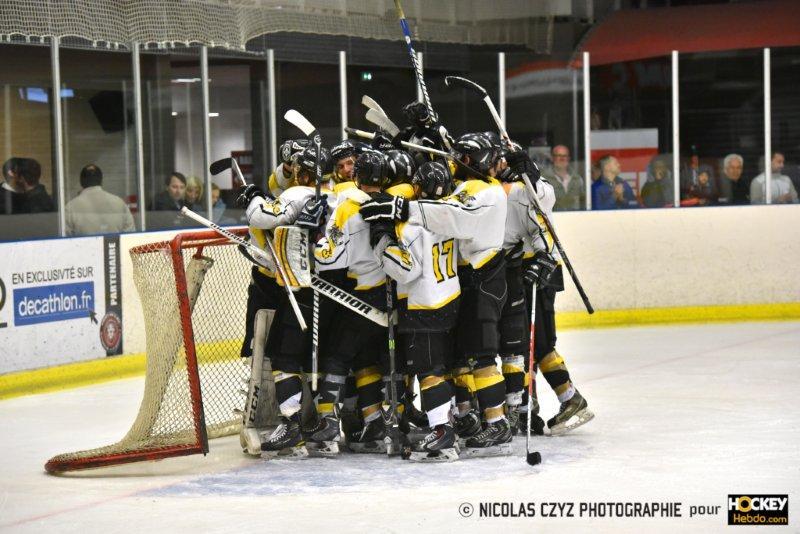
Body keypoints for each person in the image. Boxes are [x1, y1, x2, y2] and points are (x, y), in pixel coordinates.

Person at [360, 132, 513, 457]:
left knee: (461, 362)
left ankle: (480, 424)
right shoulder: (462, 192)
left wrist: (388, 229)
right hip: (456, 294)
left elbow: (445, 221)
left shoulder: (482, 192)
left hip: (457, 292)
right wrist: (429, 132)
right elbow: (444, 200)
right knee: (458, 361)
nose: (456, 161)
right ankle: (468, 419)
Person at [237, 145, 330, 459]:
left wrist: (253, 197)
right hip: (339, 288)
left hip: (302, 286)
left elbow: (262, 215)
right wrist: (286, 169)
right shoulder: (341, 194)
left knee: (284, 357)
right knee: (329, 358)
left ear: (304, 174)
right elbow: (283, 189)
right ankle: (330, 423)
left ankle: (291, 426)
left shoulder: (297, 195)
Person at [368, 160, 461, 462]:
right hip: (450, 300)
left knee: (429, 370)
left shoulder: (412, 226)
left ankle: (442, 432)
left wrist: (383, 241)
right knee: (441, 368)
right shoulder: (448, 216)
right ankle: (445, 425)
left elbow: (406, 270)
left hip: (424, 306)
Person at [311, 150, 402, 456]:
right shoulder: (392, 202)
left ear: (357, 175)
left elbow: (331, 257)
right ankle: (375, 423)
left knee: (337, 355)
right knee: (367, 361)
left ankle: (326, 421)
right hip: (389, 294)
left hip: (359, 295)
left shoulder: (349, 204)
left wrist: (314, 244)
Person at [65, 164, 136, 235]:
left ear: (81, 182)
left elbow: (65, 239)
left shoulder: (70, 207)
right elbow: (130, 235)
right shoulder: (119, 203)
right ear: (101, 181)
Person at [543, 145, 585, 211]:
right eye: (559, 155)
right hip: (553, 218)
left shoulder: (577, 179)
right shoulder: (544, 179)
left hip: (574, 218)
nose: (562, 159)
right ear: (552, 158)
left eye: (565, 156)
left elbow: (583, 202)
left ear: (569, 158)